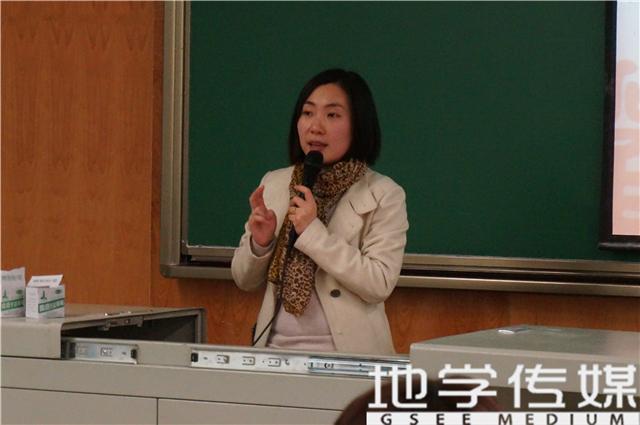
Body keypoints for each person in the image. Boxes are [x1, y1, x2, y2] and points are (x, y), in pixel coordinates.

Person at [231, 68, 408, 355]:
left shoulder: (383, 194)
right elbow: (244, 280)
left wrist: (313, 233)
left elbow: (379, 283)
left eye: (332, 115)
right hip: (274, 354)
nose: (315, 127)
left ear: (359, 125)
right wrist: (260, 244)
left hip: (348, 360)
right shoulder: (275, 183)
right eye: (308, 113)